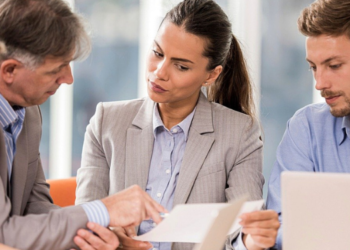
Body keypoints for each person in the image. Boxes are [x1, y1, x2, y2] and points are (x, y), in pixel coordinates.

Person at [76, 0, 280, 250]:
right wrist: (112, 238)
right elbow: (84, 222)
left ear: (211, 75)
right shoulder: (107, 122)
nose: (159, 72)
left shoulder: (239, 133)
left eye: (181, 66)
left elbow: (241, 231)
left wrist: (251, 240)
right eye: (157, 53)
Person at [0, 0, 166, 249]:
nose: (68, 78)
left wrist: (95, 234)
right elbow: (5, 233)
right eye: (56, 69)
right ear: (10, 70)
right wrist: (104, 210)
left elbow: (35, 211)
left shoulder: (29, 112)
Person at [266, 0, 350, 249]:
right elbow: (282, 228)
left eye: (334, 66)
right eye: (313, 67)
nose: (319, 83)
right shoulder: (307, 128)